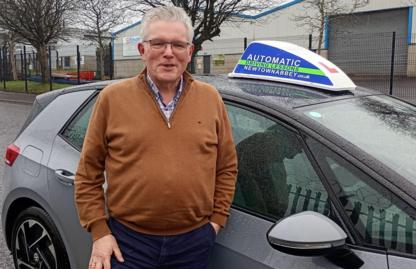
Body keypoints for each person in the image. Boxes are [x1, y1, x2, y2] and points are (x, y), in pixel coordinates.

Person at [74, 6, 238, 269]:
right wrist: (100, 232)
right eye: (158, 43)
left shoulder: (211, 99)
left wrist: (216, 222)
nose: (168, 53)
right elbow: (88, 172)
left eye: (177, 44)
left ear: (190, 51)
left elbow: (227, 166)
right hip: (128, 244)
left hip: (193, 244)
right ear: (142, 50)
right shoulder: (112, 99)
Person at [235, 124, 301, 218]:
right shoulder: (263, 146)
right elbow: (251, 189)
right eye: (300, 144)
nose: (300, 150)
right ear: (290, 139)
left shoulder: (274, 153)